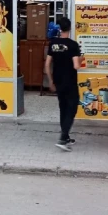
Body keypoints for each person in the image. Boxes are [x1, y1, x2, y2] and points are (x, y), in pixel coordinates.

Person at [45, 17, 82, 152]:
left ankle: (65, 137)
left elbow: (47, 64)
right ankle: (62, 138)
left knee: (63, 108)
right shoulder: (73, 45)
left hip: (58, 81)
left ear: (59, 28)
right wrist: (81, 58)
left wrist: (50, 81)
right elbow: (76, 66)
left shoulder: (53, 44)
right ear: (70, 28)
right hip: (70, 82)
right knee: (71, 109)